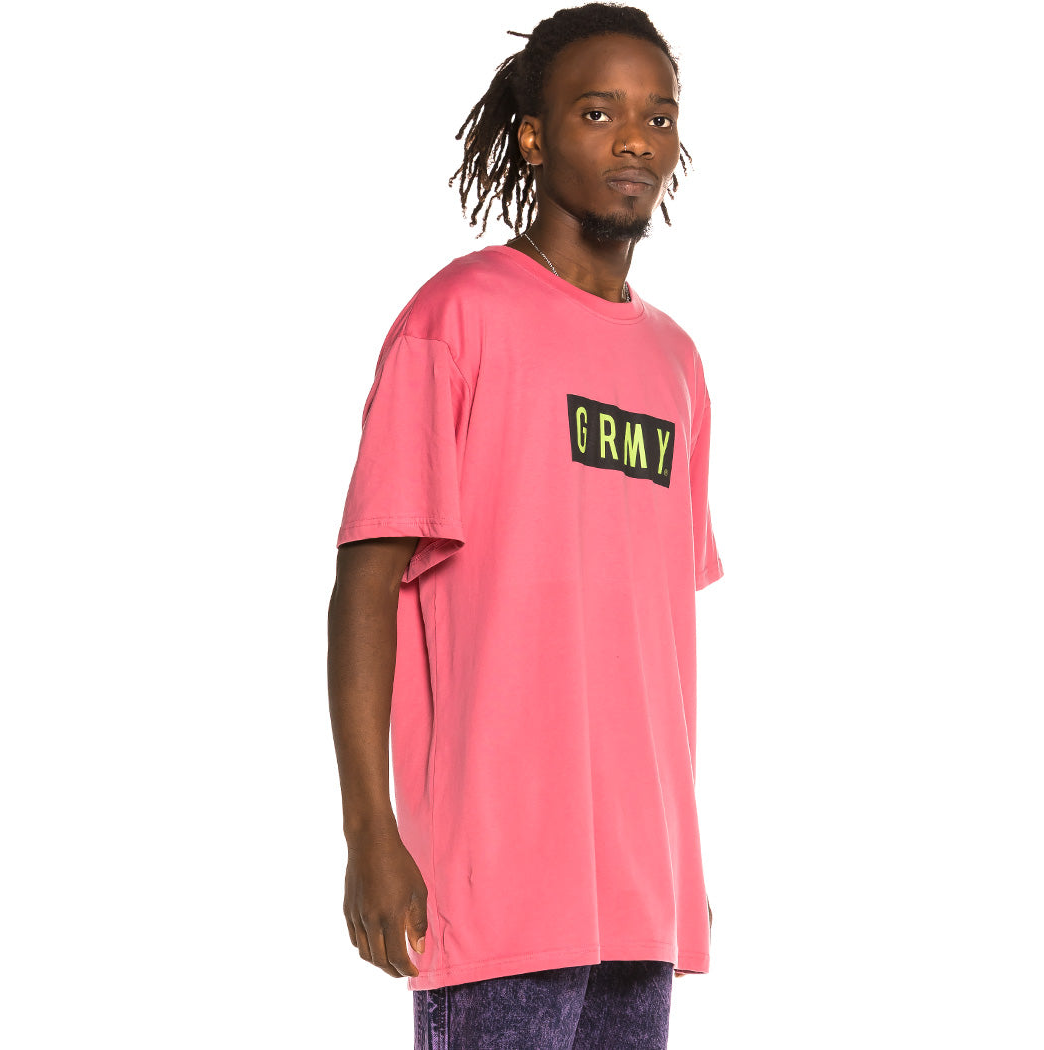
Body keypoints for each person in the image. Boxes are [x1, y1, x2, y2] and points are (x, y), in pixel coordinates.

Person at [326, 5, 724, 1047]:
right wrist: (371, 831)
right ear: (535, 137)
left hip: (641, 892)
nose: (635, 140)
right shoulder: (457, 319)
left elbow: (649, 636)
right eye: (599, 112)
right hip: (496, 891)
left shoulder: (677, 365)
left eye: (658, 116)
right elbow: (367, 581)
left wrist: (680, 855)